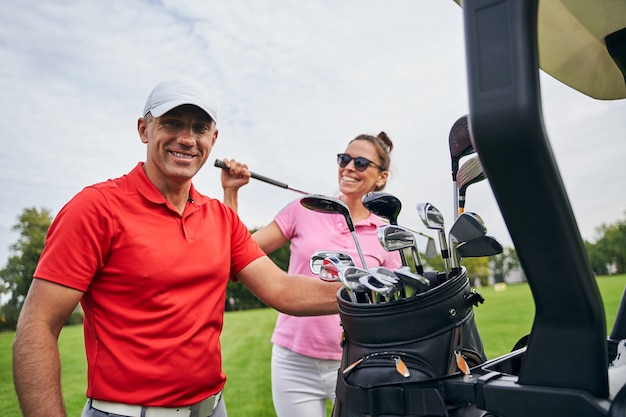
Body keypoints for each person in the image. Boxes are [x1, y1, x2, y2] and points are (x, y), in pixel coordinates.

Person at [12, 79, 342, 417]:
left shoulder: (221, 217)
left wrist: (374, 293)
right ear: (144, 129)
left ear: (213, 140)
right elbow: (37, 325)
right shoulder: (95, 208)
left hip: (212, 409)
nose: (187, 138)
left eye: (200, 128)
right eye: (172, 123)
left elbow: (283, 291)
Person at [220, 131, 402, 417]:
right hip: (294, 361)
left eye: (361, 163)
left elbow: (395, 301)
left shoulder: (386, 233)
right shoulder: (303, 209)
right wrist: (231, 192)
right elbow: (237, 254)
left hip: (358, 359)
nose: (350, 167)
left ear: (381, 176)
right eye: (345, 159)